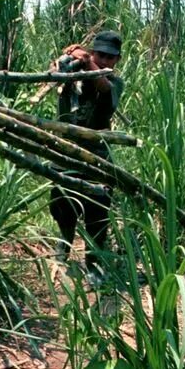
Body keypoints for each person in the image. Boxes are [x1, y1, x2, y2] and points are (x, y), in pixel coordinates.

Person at [47, 30, 123, 276]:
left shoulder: (114, 83)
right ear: (92, 52)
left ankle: (94, 261)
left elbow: (102, 87)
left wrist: (87, 61)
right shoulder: (74, 73)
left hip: (97, 155)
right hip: (66, 151)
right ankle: (64, 245)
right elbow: (53, 75)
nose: (104, 60)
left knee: (97, 209)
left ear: (117, 61)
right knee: (62, 202)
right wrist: (67, 58)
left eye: (109, 58)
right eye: (99, 55)